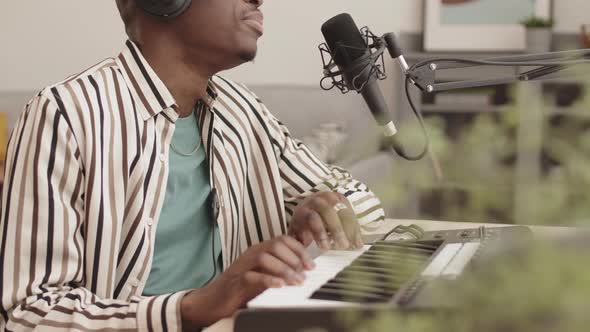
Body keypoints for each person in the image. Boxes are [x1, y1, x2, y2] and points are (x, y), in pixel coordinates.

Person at [0, 0, 384, 330]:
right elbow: (29, 316)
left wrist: (319, 215)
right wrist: (189, 308)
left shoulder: (243, 110)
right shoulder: (66, 114)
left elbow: (365, 207)